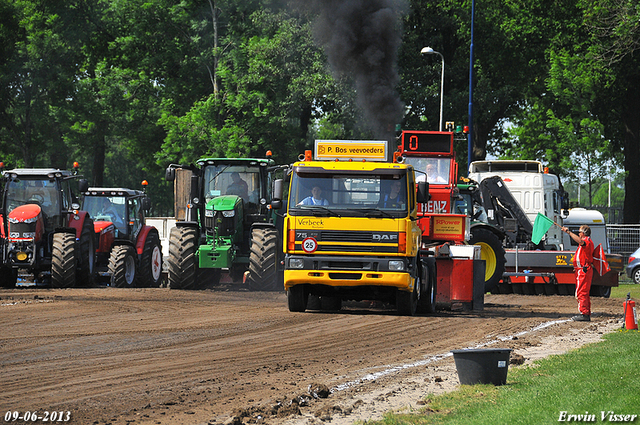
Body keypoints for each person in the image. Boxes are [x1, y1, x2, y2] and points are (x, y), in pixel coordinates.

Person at [561, 224, 594, 321]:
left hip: (584, 270)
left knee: (581, 292)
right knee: (583, 292)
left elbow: (580, 241)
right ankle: (585, 312)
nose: (578, 234)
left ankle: (584, 313)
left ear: (583, 233)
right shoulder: (586, 242)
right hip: (582, 269)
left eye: (579, 232)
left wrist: (568, 232)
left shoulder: (586, 241)